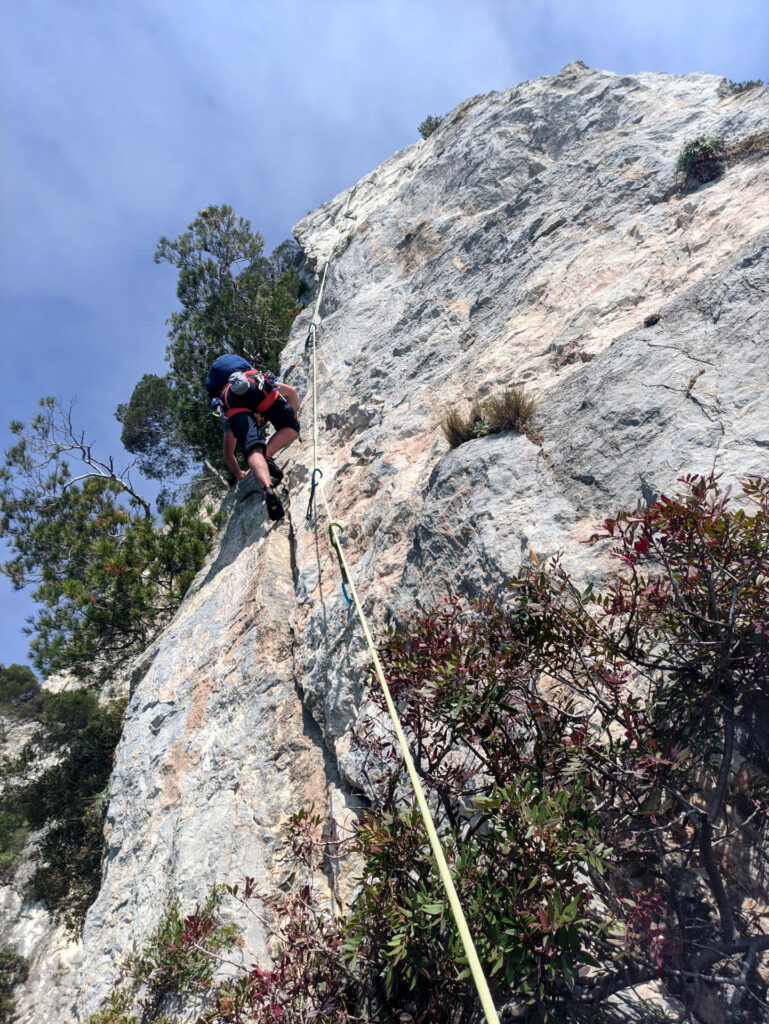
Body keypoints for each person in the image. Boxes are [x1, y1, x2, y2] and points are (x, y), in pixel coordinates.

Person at [205, 355, 301, 521]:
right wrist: (292, 418)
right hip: (255, 382)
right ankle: (267, 454)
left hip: (230, 399)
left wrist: (238, 474)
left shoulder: (229, 416)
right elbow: (291, 391)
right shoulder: (252, 378)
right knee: (290, 428)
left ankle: (268, 489)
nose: (260, 421)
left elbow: (228, 455)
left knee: (253, 448)